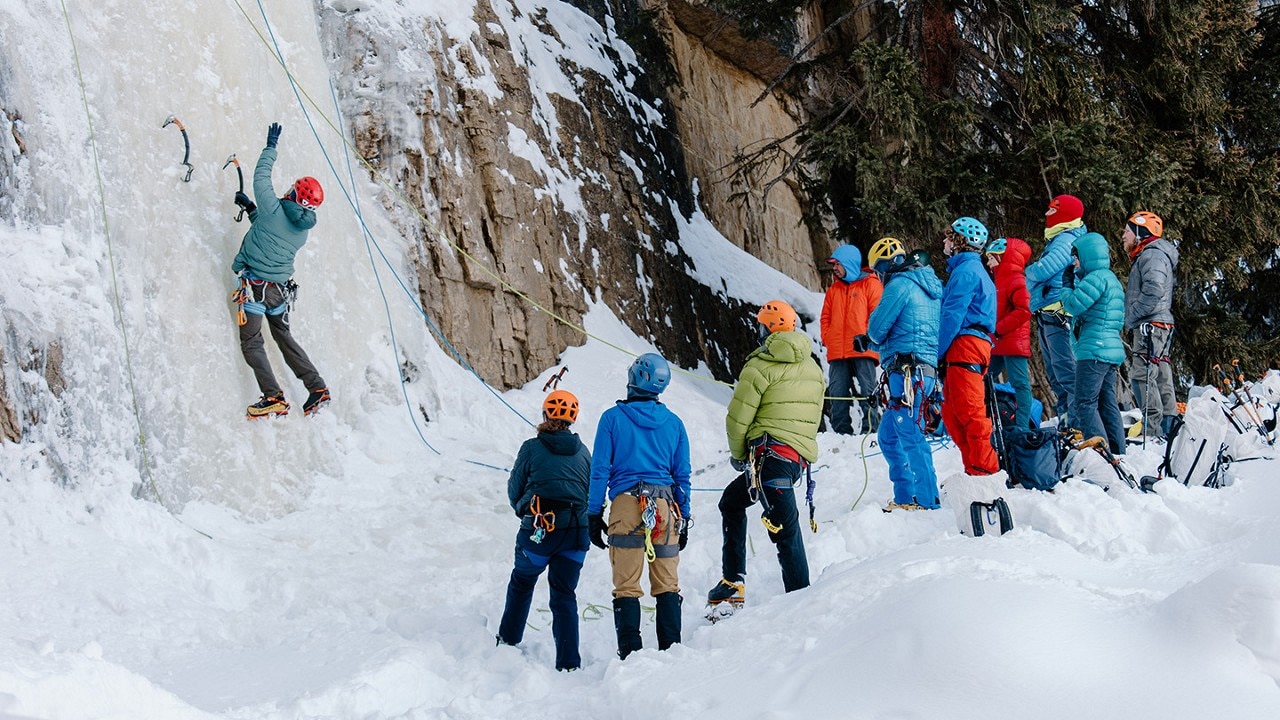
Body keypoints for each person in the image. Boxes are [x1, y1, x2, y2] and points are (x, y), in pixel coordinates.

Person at [708, 301, 824, 609]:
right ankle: (733, 580)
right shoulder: (812, 366)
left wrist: (737, 454)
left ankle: (800, 602)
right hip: (793, 460)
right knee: (731, 502)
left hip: (768, 458)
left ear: (768, 329)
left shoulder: (760, 365)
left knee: (786, 531)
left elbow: (738, 417)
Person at [587, 354, 691, 660]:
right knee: (667, 584)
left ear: (634, 377)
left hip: (626, 506)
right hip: (664, 508)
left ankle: (631, 656)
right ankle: (671, 653)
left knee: (627, 586)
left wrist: (594, 512)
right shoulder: (674, 424)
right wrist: (683, 515)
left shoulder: (612, 419)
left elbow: (600, 470)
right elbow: (681, 475)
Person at [230, 122, 330, 419]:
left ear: (293, 191)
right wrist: (251, 209)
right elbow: (270, 231)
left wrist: (271, 146)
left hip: (254, 288)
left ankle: (273, 396)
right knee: (284, 337)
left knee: (252, 341)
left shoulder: (274, 208)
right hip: (278, 293)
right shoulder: (302, 230)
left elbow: (261, 176)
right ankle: (317, 388)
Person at [496, 390, 592, 671]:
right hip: (576, 533)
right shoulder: (585, 453)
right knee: (564, 594)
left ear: (545, 414)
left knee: (522, 582)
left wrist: (524, 508)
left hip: (540, 531)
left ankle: (509, 640)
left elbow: (515, 489)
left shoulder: (531, 447)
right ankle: (568, 664)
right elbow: (589, 493)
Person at [860, 240, 944, 510]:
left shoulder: (899, 284)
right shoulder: (928, 287)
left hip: (906, 372)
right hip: (922, 369)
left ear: (883, 266)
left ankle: (927, 501)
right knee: (888, 436)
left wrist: (871, 339)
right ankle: (905, 496)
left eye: (875, 272)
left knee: (910, 434)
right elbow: (906, 333)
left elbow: (877, 329)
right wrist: (870, 346)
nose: (876, 277)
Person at [937, 217, 999, 476]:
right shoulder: (969, 269)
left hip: (966, 344)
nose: (945, 241)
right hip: (970, 345)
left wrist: (934, 353)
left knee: (970, 413)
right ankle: (974, 470)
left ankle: (986, 472)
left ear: (959, 241)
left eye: (949, 236)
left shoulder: (966, 272)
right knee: (953, 414)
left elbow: (951, 316)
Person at [1061, 231, 1127, 454]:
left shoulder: (1096, 278)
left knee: (1085, 402)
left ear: (1088, 255)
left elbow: (1072, 305)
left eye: (1077, 257)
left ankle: (1100, 453)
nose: (1075, 262)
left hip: (1094, 350)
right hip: (1108, 350)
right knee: (1107, 404)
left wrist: (1067, 284)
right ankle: (1117, 452)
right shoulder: (1109, 278)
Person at [1025, 195, 1086, 423]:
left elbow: (1041, 271)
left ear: (1064, 214)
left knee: (1065, 372)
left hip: (1059, 313)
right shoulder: (1058, 239)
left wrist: (1029, 274)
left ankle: (1077, 423)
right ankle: (1066, 420)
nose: (1046, 215)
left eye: (1052, 211)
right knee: (1056, 374)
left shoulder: (1066, 239)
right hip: (1049, 312)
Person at [1122, 211, 1179, 439]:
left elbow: (1154, 289)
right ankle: (1168, 426)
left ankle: (1153, 431)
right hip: (1158, 323)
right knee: (1160, 373)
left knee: (1142, 374)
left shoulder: (1151, 255)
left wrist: (1133, 316)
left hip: (1150, 323)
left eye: (1127, 231)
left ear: (1140, 232)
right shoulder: (1151, 255)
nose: (1123, 236)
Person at [820, 244, 883, 435]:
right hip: (838, 350)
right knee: (837, 394)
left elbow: (878, 316)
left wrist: (868, 338)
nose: (835, 268)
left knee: (868, 391)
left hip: (863, 349)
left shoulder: (871, 284)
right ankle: (841, 433)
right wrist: (828, 338)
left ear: (849, 263)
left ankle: (871, 430)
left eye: (838, 264)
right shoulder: (834, 290)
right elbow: (825, 318)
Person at [985, 237, 1034, 429]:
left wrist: (998, 328)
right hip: (998, 341)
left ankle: (1022, 427)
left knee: (1020, 384)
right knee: (983, 377)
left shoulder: (1017, 280)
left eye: (991, 258)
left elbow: (1023, 310)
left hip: (1012, 342)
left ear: (1002, 257)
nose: (988, 263)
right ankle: (988, 419)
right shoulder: (1000, 280)